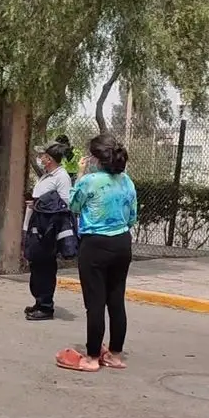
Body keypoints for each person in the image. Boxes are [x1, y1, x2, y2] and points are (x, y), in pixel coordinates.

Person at [55, 134, 137, 373]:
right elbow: (132, 217)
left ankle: (91, 357)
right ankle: (115, 354)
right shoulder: (127, 182)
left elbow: (74, 206)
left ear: (95, 157)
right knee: (116, 299)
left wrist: (79, 175)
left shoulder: (90, 181)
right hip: (122, 242)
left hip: (95, 244)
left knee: (95, 302)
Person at [24, 141, 74, 320]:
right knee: (36, 265)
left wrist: (39, 204)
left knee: (45, 267)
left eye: (43, 156)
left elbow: (65, 203)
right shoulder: (47, 175)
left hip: (48, 230)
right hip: (36, 224)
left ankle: (46, 306)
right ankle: (39, 301)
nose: (40, 159)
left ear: (50, 159)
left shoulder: (62, 177)